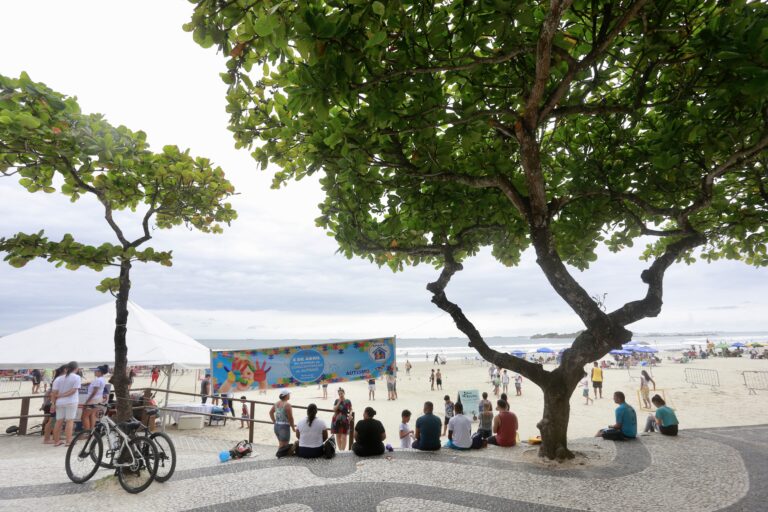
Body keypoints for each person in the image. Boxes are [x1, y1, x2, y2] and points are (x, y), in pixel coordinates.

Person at [52, 361, 82, 447]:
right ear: (76, 368)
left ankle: (56, 441)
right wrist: (62, 395)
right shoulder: (77, 377)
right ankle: (68, 441)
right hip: (71, 402)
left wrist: (53, 403)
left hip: (59, 402)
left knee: (58, 421)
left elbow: (54, 392)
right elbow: (73, 391)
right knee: (70, 421)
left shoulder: (58, 378)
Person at [82, 365, 108, 430]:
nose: (94, 372)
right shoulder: (101, 379)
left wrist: (87, 401)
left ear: (100, 372)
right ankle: (91, 431)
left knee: (84, 416)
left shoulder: (98, 380)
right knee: (92, 415)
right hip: (97, 399)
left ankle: (86, 433)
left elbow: (94, 392)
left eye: (96, 371)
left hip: (93, 400)